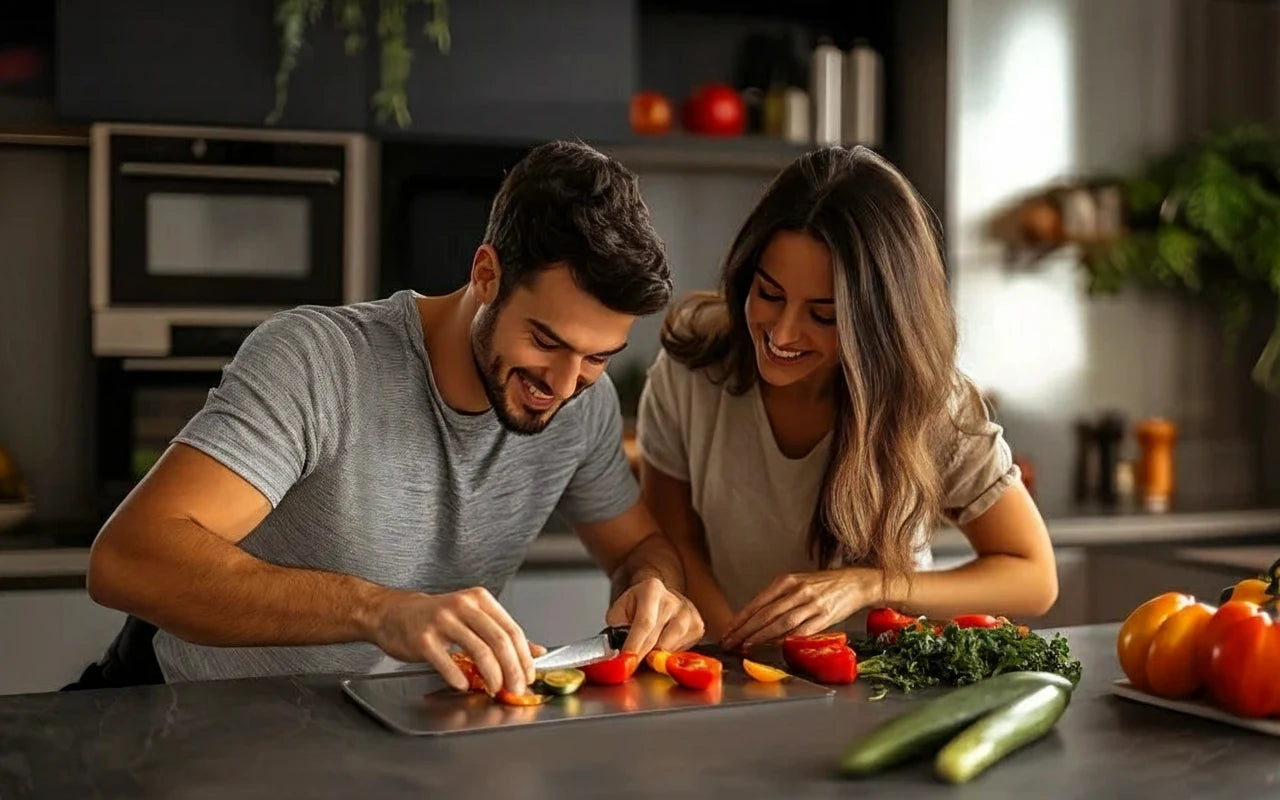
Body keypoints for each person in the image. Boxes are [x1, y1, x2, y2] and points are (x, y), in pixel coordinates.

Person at [82, 140, 704, 695]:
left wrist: (654, 586)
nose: (565, 384)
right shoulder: (319, 361)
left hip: (381, 733)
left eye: (597, 357)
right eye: (545, 340)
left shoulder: (581, 406)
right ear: (486, 274)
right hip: (181, 715)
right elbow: (127, 561)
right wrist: (379, 611)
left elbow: (641, 547)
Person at [635, 145, 1057, 653]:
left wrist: (871, 584)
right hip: (735, 668)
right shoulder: (691, 367)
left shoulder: (929, 402)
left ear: (878, 324)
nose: (783, 333)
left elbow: (1034, 577)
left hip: (881, 679)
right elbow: (675, 542)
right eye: (769, 294)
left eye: (824, 315)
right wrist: (738, 654)